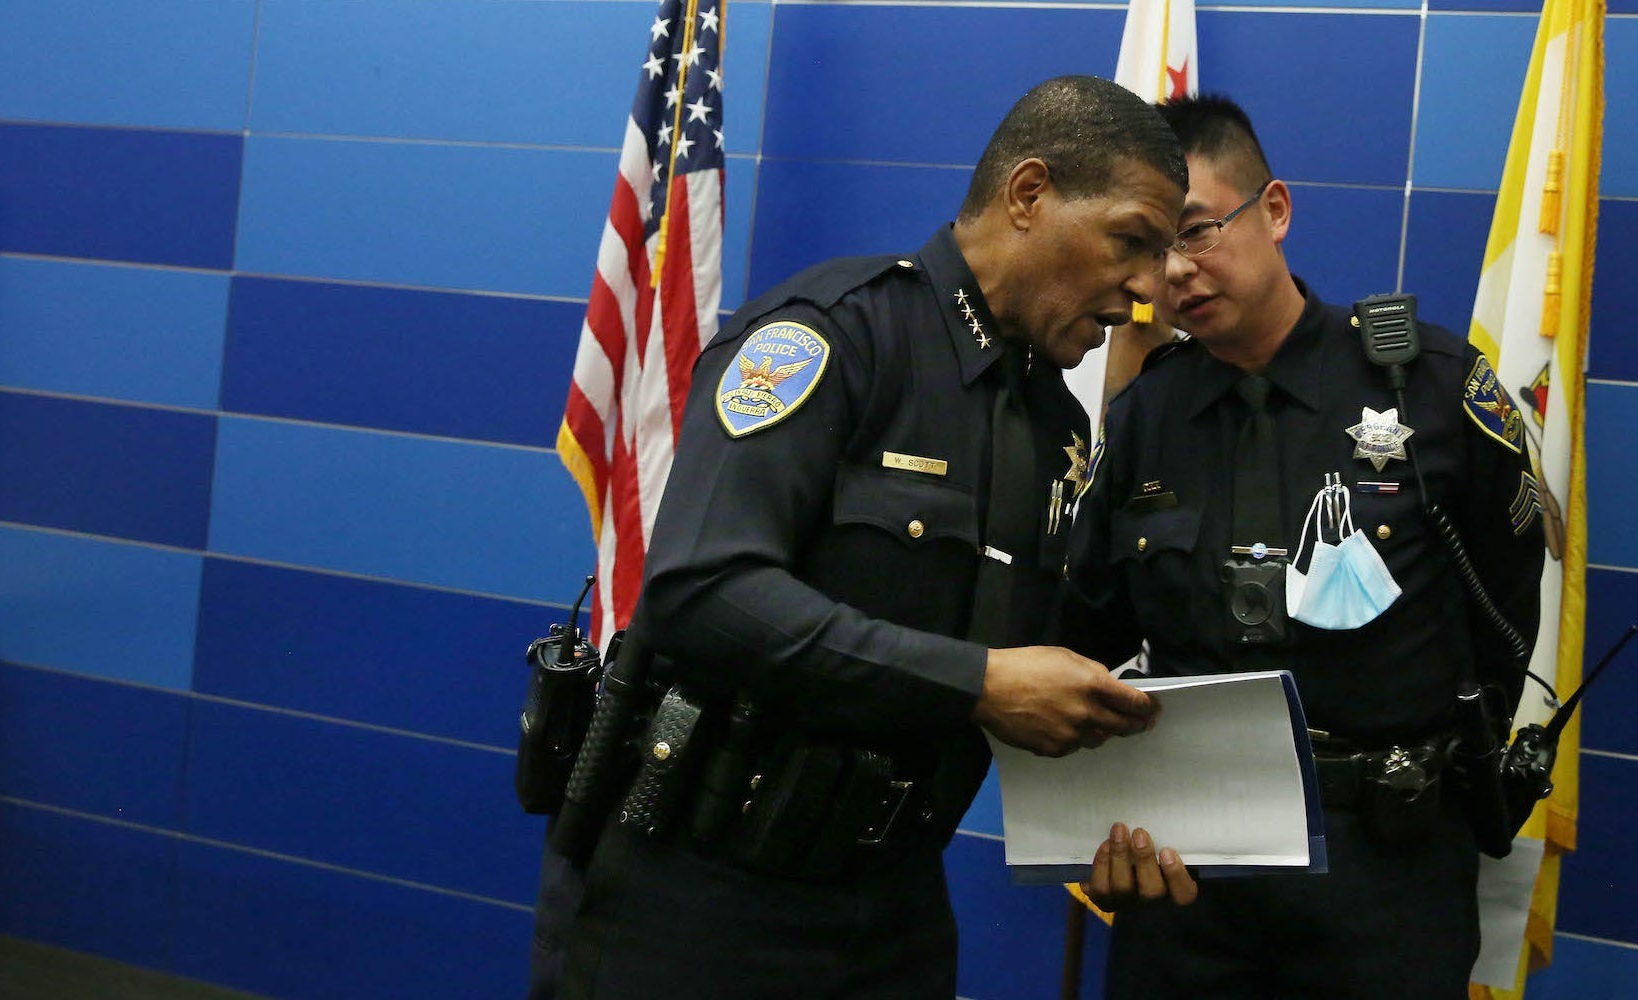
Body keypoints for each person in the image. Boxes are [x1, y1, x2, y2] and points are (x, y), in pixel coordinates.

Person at [552, 75, 1186, 1000]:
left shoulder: (1058, 428)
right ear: (1029, 194)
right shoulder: (832, 339)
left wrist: (1126, 814)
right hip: (702, 906)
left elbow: (1045, 668)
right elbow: (699, 592)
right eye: (1131, 242)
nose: (1144, 289)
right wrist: (979, 684)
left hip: (893, 918)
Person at [1063, 94, 1546, 999]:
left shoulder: (1434, 393)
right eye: (1151, 248)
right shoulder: (1143, 418)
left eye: (1199, 231)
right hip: (1187, 871)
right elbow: (1088, 625)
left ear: (1274, 211)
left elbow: (1504, 614)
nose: (1175, 272)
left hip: (1386, 869)